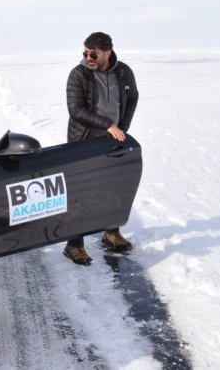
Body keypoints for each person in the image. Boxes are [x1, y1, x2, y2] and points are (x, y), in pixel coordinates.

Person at [63, 31, 139, 266]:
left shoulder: (124, 72)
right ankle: (74, 245)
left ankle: (111, 233)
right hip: (84, 141)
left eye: (93, 53)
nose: (88, 57)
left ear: (107, 52)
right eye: (85, 52)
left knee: (113, 187)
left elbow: (133, 97)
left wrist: (121, 128)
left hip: (113, 141)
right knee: (80, 193)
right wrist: (109, 125)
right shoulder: (79, 74)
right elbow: (75, 110)